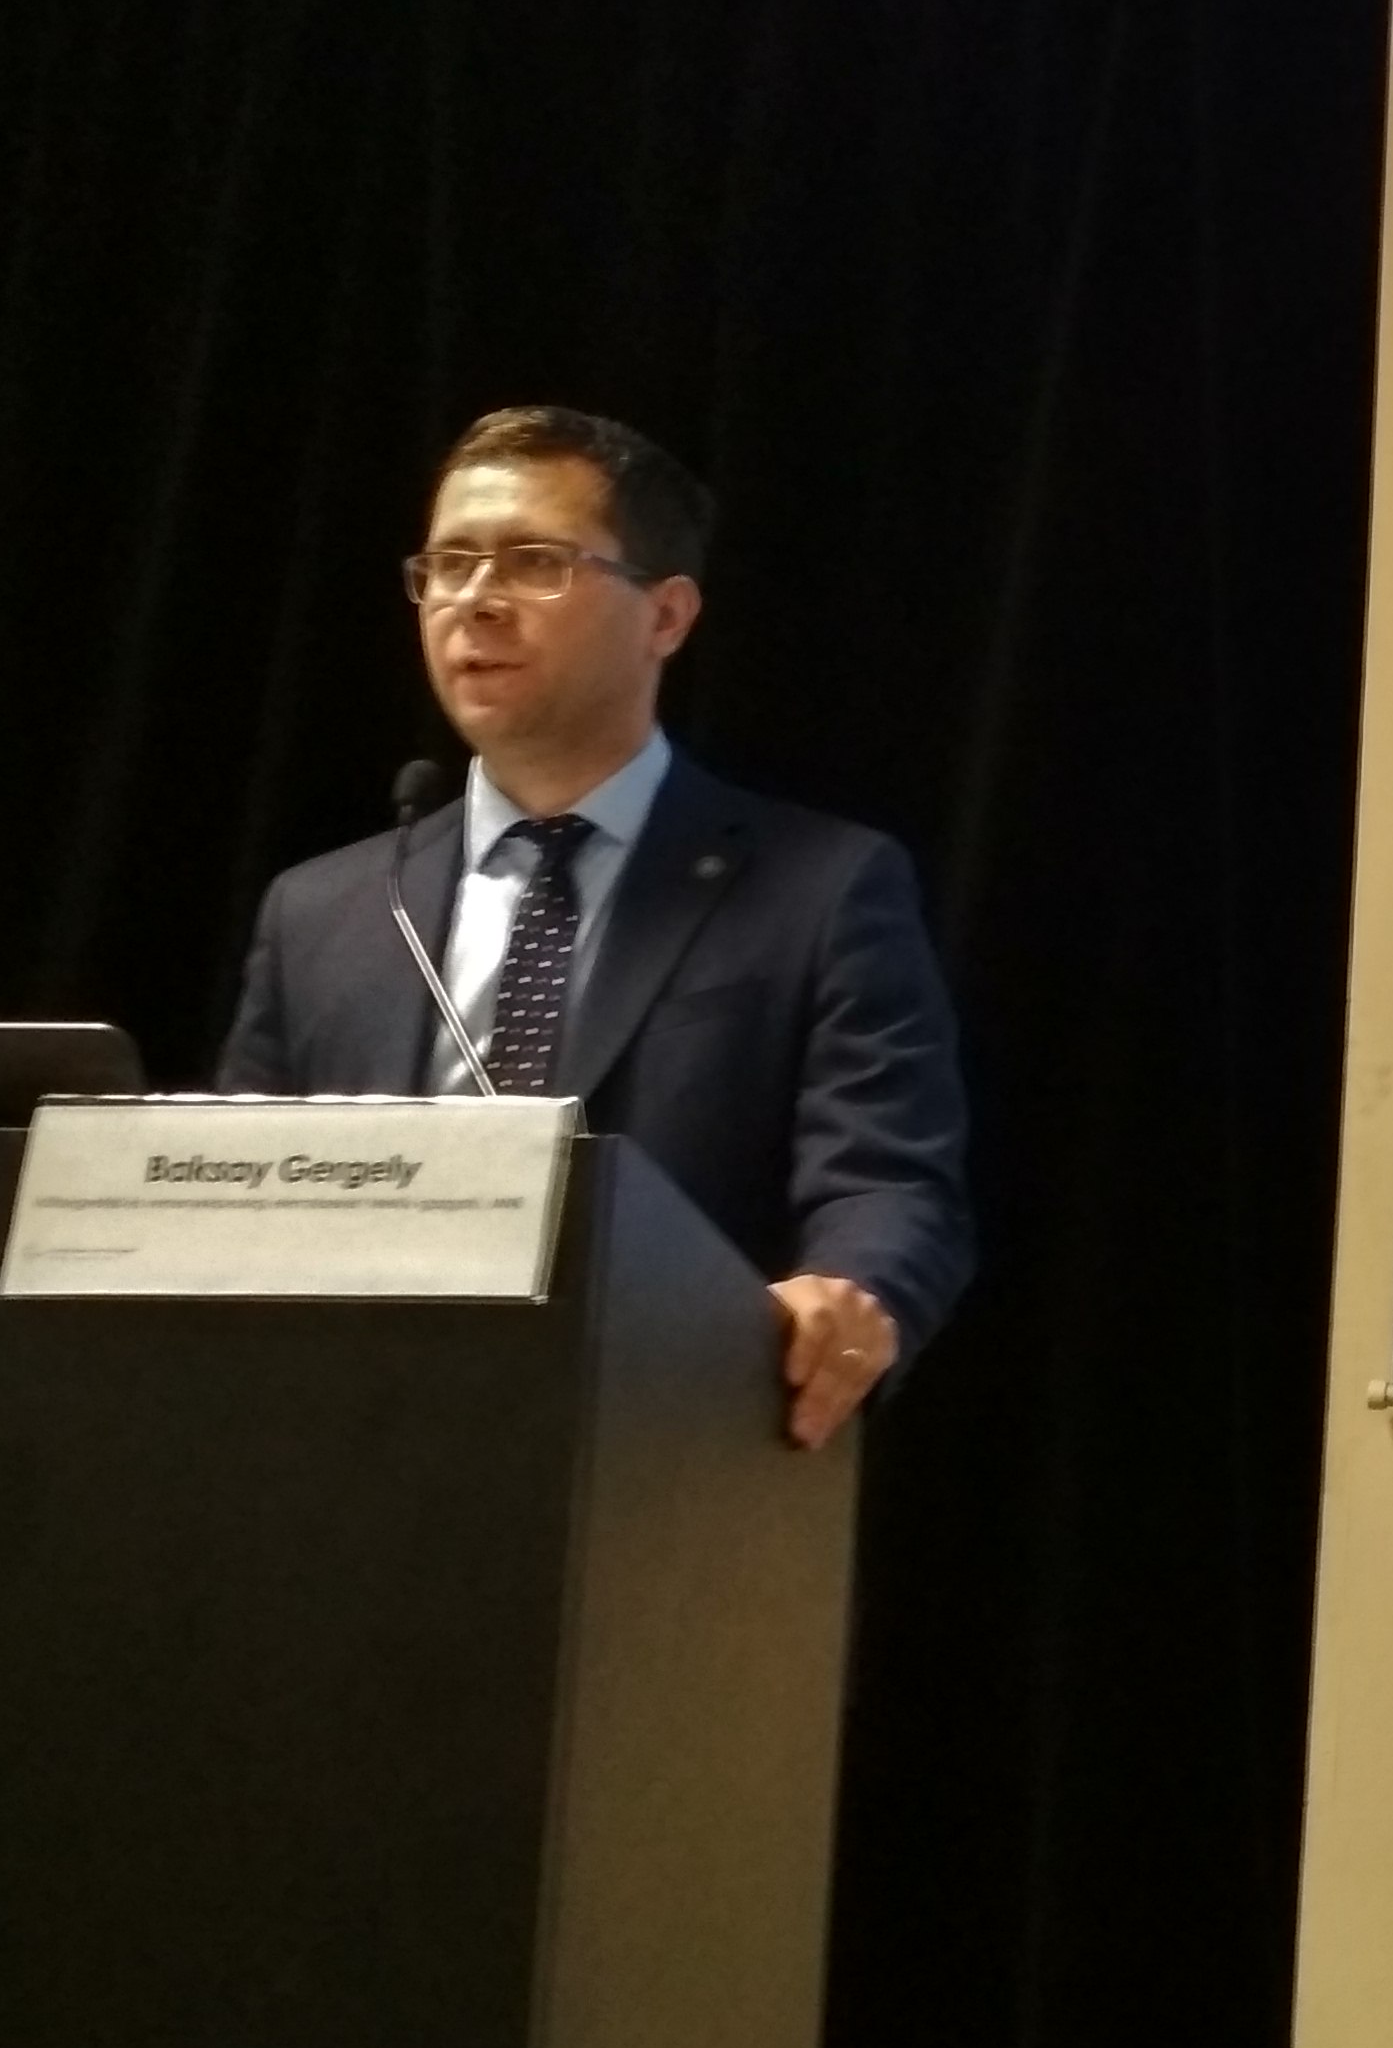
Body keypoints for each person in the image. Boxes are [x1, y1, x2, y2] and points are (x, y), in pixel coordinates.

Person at [221, 406, 970, 1447]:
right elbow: (229, 1200)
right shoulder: (322, 910)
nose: (476, 600)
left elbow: (887, 1182)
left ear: (666, 616)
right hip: (344, 1452)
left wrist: (849, 1295)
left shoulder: (821, 889)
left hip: (663, 1445)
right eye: (449, 565)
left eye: (534, 562)